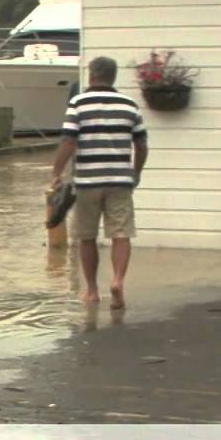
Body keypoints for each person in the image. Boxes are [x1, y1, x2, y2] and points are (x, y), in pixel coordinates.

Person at [51, 56, 148, 309]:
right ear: (113, 77)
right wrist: (135, 172)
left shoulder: (78, 103)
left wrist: (56, 171)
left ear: (91, 75)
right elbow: (141, 144)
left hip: (87, 182)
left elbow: (68, 142)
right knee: (121, 234)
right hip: (120, 181)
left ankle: (92, 291)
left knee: (86, 237)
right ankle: (117, 281)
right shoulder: (130, 105)